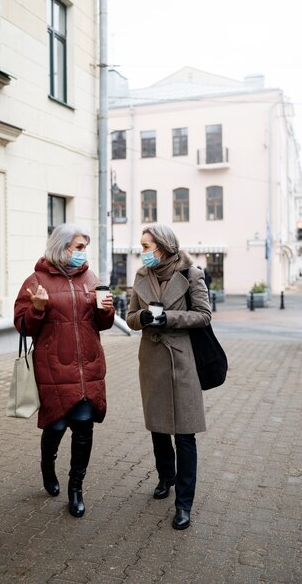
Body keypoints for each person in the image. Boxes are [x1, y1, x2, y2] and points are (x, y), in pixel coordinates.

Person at [14, 224, 115, 518]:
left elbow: (102, 324)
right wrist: (37, 308)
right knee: (55, 427)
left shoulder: (91, 279)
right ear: (62, 247)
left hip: (88, 368)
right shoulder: (36, 280)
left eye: (85, 247)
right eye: (79, 247)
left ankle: (76, 488)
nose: (83, 254)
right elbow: (22, 325)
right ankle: (48, 465)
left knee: (83, 428)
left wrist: (106, 310)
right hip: (54, 367)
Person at [126, 224, 211, 530]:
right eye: (141, 246)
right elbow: (131, 318)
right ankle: (166, 478)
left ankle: (184, 503)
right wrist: (143, 318)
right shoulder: (140, 276)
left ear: (162, 246)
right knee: (159, 428)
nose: (142, 252)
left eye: (147, 246)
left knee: (185, 434)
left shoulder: (191, 274)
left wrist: (168, 318)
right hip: (152, 361)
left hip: (182, 362)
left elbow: (204, 314)